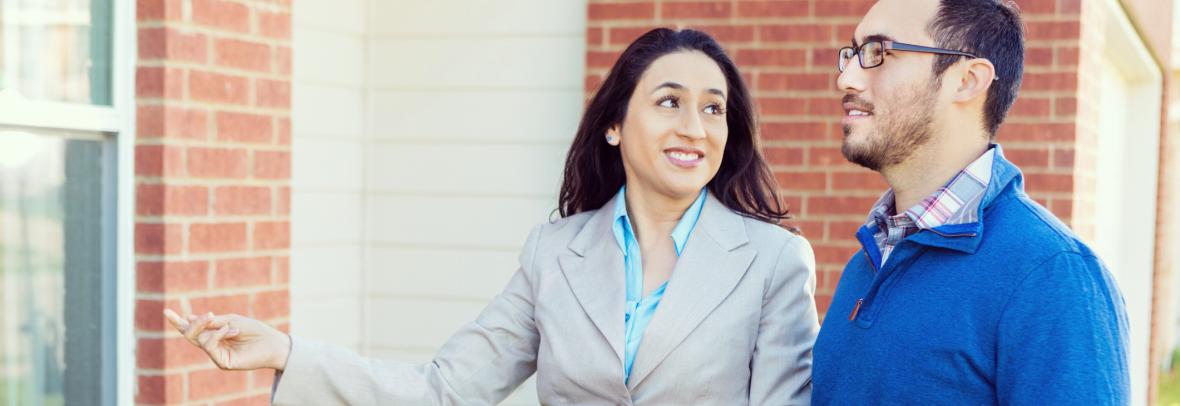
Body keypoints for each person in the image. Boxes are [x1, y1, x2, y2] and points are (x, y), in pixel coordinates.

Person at [165, 28, 819, 405]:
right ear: (616, 124)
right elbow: (446, 391)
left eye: (713, 108)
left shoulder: (771, 262)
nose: (694, 127)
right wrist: (285, 352)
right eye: (669, 101)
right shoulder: (554, 252)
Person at [811, 0, 1130, 404]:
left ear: (967, 80)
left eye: (880, 52)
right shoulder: (870, 259)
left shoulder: (1054, 275)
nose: (847, 78)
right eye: (853, 53)